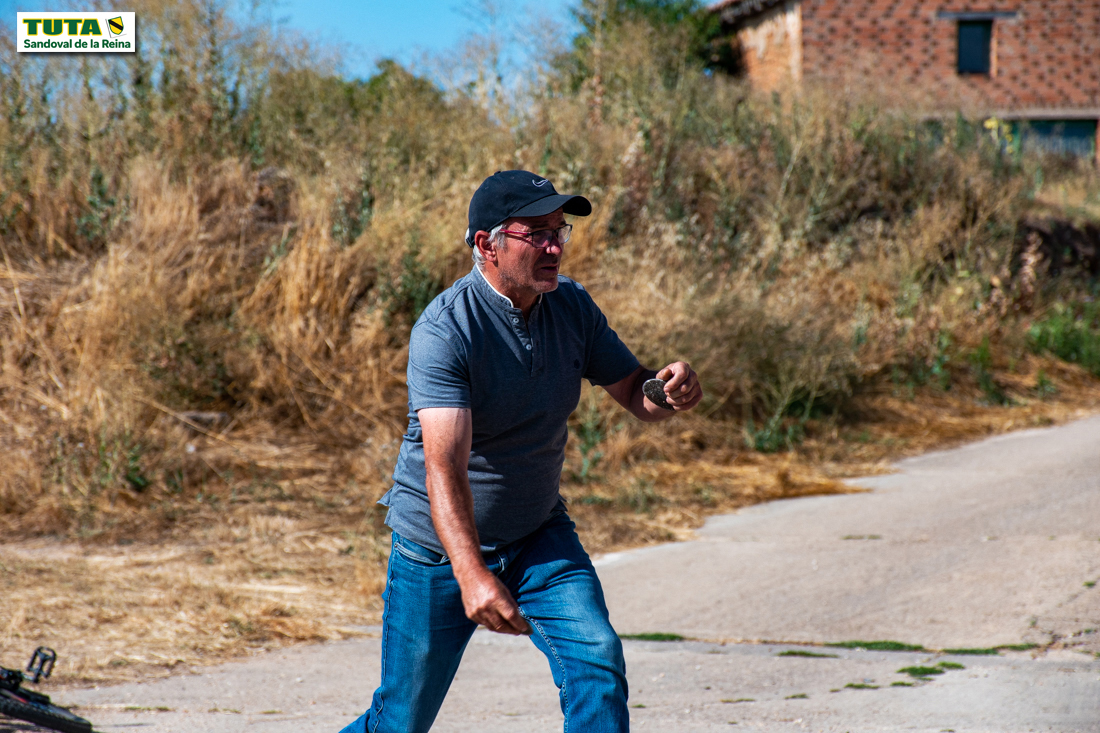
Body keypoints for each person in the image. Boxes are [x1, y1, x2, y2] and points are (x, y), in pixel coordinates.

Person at [339, 170, 703, 733]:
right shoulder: (445, 330)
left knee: (598, 659)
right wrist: (472, 574)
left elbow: (636, 392)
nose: (556, 246)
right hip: (437, 551)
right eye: (538, 234)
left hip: (537, 535)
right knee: (401, 720)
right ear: (487, 244)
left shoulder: (571, 306)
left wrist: (667, 390)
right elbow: (444, 467)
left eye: (560, 231)